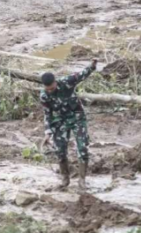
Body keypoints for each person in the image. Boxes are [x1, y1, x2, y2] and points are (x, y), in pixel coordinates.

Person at [40, 59, 98, 190]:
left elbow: (82, 75)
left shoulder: (67, 82)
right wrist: (47, 132)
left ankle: (82, 180)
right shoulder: (44, 95)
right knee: (60, 151)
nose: (50, 91)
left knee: (82, 148)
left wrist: (92, 66)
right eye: (47, 89)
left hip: (77, 119)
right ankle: (65, 179)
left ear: (55, 82)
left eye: (52, 88)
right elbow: (47, 113)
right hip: (60, 122)